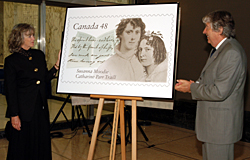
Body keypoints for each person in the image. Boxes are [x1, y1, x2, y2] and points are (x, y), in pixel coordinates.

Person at [175, 11, 247, 160]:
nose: (204, 31)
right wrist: (194, 85)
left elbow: (220, 91)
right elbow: (214, 82)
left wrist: (191, 88)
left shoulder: (231, 53)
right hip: (213, 127)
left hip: (220, 128)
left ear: (219, 29)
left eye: (207, 27)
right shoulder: (220, 50)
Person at [4, 23, 60, 160]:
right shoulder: (11, 61)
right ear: (19, 38)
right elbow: (10, 90)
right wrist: (14, 115)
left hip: (40, 108)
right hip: (23, 110)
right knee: (21, 145)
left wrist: (57, 65)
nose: (33, 38)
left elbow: (44, 78)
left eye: (33, 35)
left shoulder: (38, 55)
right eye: (29, 35)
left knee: (40, 142)